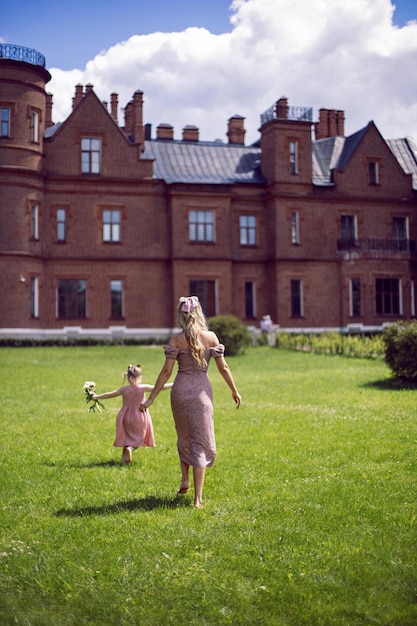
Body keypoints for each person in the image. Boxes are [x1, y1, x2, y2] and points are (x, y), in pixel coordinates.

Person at [139, 296, 242, 508]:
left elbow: (166, 372)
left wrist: (150, 399)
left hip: (179, 393)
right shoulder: (211, 338)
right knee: (201, 443)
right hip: (201, 395)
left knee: (184, 436)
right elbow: (224, 368)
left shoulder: (176, 339)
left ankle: (185, 479)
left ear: (182, 315)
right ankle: (198, 499)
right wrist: (234, 390)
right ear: (199, 314)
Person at [92, 364, 173, 465]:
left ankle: (124, 462)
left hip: (125, 417)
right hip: (139, 416)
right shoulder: (142, 387)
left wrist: (96, 397)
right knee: (139, 438)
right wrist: (173, 384)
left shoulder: (124, 389)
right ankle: (130, 449)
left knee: (127, 438)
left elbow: (110, 394)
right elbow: (160, 387)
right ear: (139, 377)